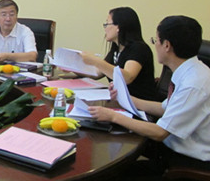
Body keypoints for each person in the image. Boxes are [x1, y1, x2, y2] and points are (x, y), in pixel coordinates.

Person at [89, 15, 210, 170]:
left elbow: (160, 133)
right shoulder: (192, 71)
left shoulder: (193, 84)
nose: (155, 45)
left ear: (167, 45)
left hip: (186, 163)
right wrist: (126, 98)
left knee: (115, 169)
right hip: (171, 148)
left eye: (156, 40)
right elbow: (164, 108)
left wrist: (113, 116)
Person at [80, 7, 158, 100]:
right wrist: (71, 68)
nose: (105, 29)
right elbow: (96, 73)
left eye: (107, 24)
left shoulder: (139, 48)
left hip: (139, 104)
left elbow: (127, 77)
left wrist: (95, 61)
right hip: (121, 102)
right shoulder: (116, 49)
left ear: (118, 27)